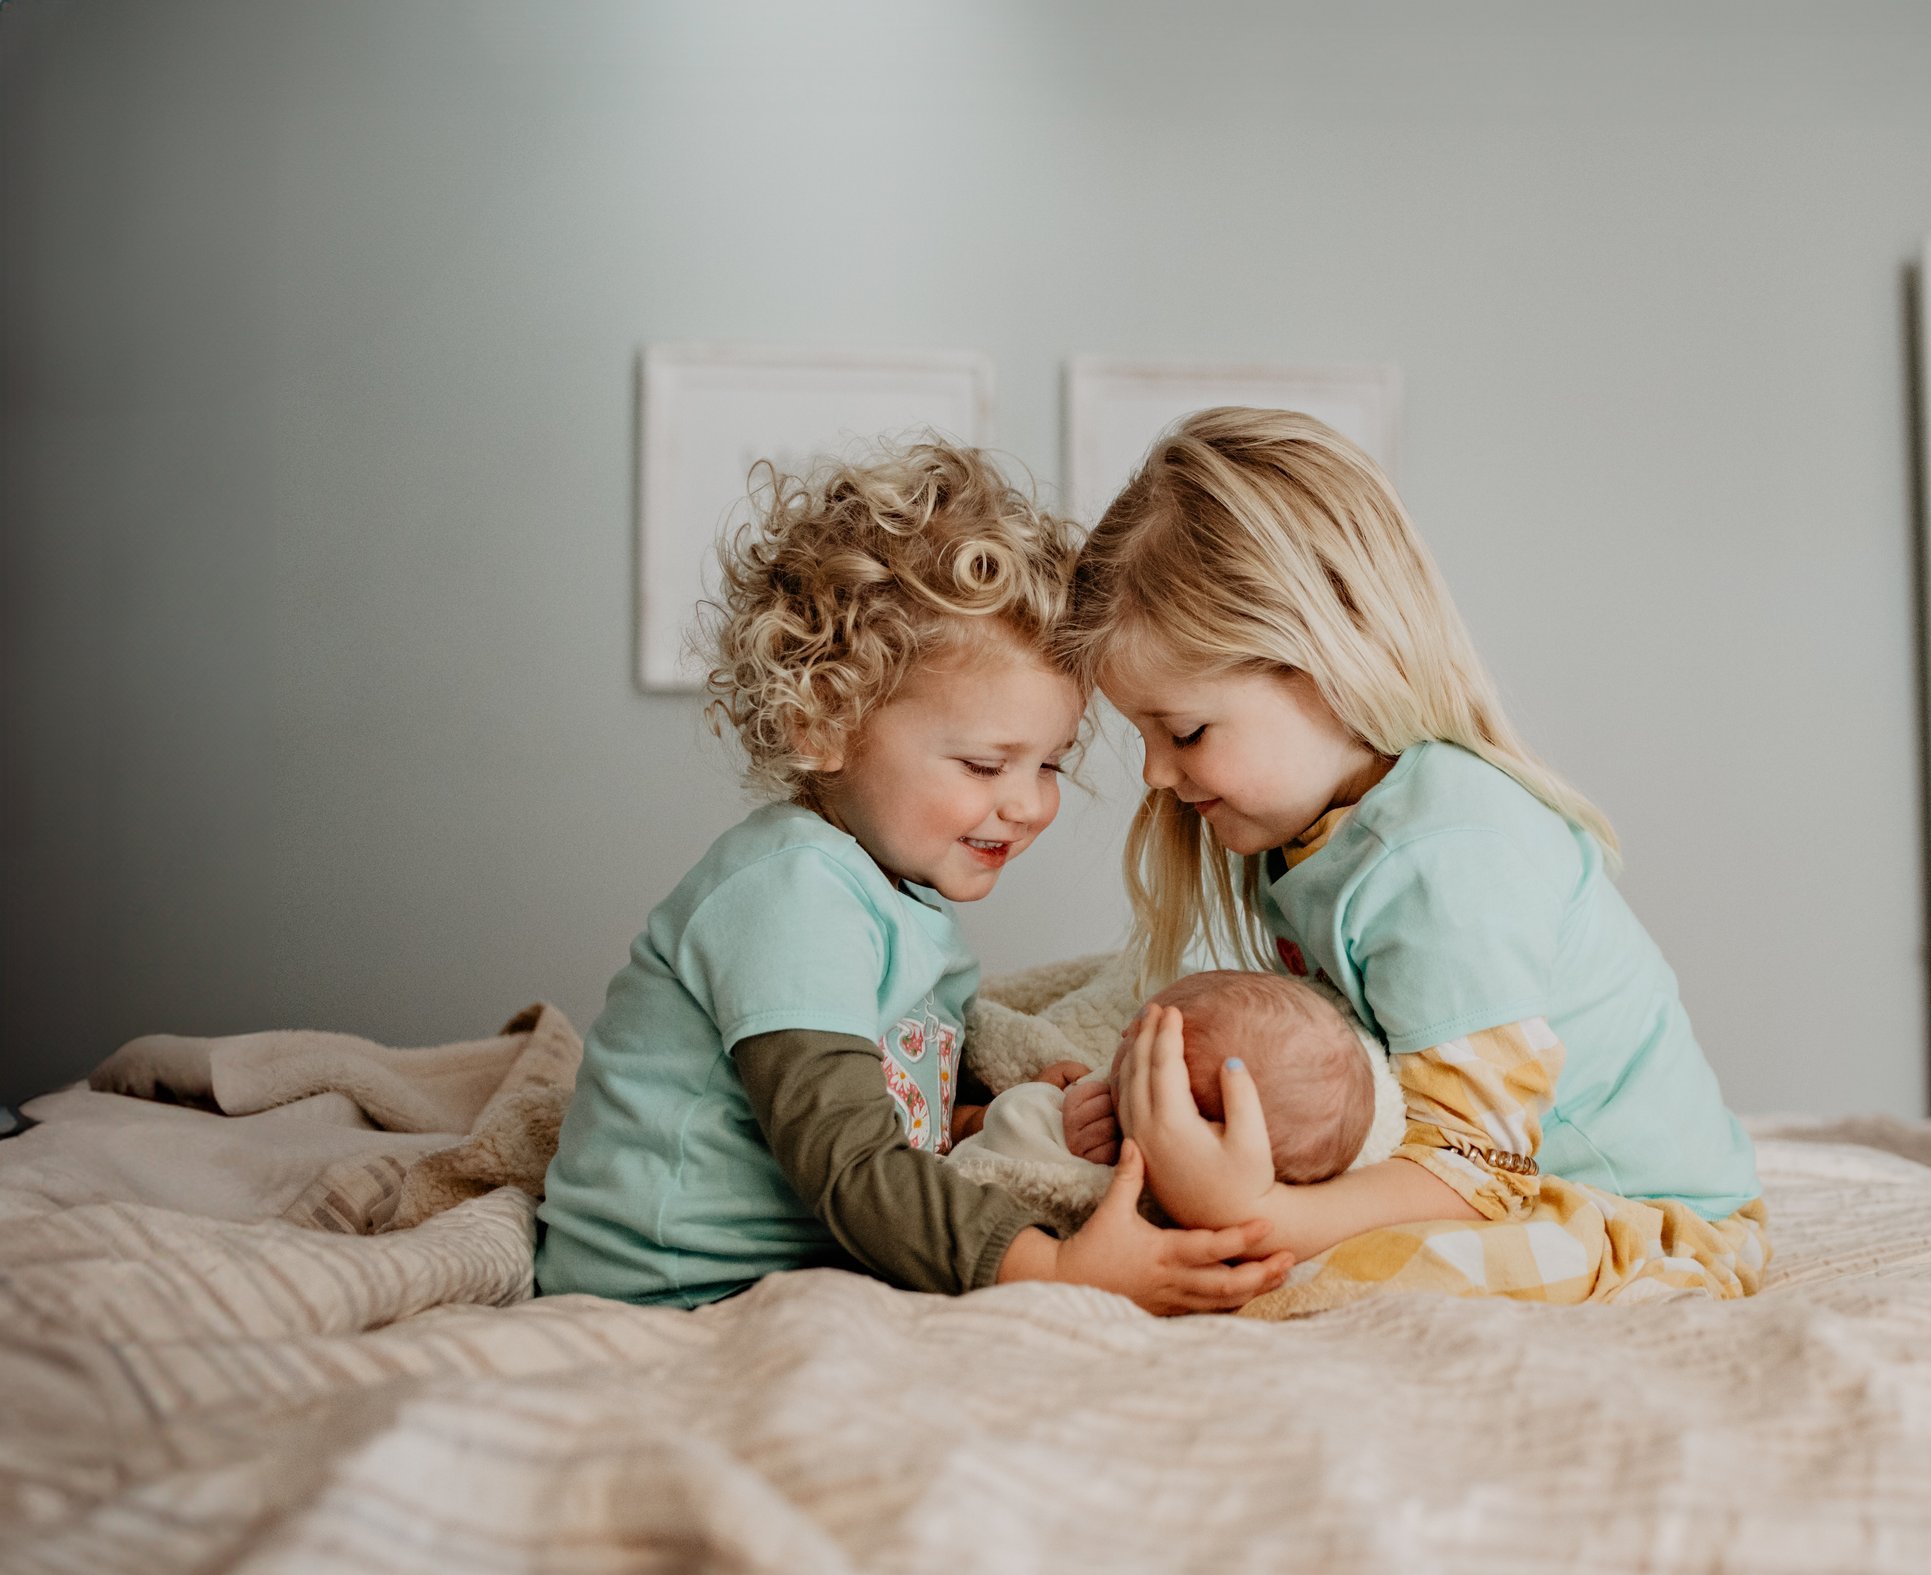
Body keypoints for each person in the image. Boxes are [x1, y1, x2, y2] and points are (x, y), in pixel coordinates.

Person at [534, 442, 1290, 1314]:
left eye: (1050, 763)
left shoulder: (903, 901)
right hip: (672, 1290)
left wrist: (1007, 1114)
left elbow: (904, 1109)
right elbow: (850, 1160)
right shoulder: (793, 894)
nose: (1028, 804)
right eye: (984, 764)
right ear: (825, 722)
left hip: (810, 1271)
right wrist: (1055, 1267)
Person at [1063, 408, 1768, 1314]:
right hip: (1510, 1181)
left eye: (1186, 731)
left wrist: (1260, 1214)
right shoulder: (1310, 834)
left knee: (1301, 1277)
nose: (1156, 774)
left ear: (1325, 662)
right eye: (1144, 736)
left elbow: (1478, 1166)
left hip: (1648, 1221)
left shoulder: (1446, 857)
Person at [968, 968, 1376, 1186]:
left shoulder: (1129, 1161)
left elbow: (1002, 1139)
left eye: (1143, 1043)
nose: (1124, 1035)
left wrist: (1046, 1108)